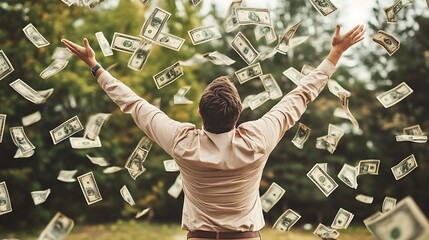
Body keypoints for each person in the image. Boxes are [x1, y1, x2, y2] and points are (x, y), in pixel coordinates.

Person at [62, 24, 365, 240]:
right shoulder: (258, 139)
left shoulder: (182, 143)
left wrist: (96, 66)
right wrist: (335, 53)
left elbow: (133, 104)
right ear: (240, 113)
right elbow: (301, 95)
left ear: (199, 113)